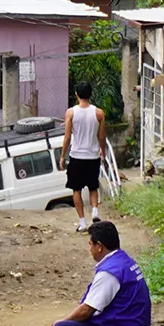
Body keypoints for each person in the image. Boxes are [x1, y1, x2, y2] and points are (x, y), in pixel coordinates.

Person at [60, 82, 110, 233]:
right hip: (92, 155)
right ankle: (94, 210)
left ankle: (82, 222)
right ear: (90, 94)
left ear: (76, 94)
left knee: (76, 189)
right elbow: (101, 136)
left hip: (76, 156)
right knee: (93, 186)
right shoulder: (99, 113)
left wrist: (62, 155)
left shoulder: (71, 113)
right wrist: (103, 152)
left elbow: (67, 137)